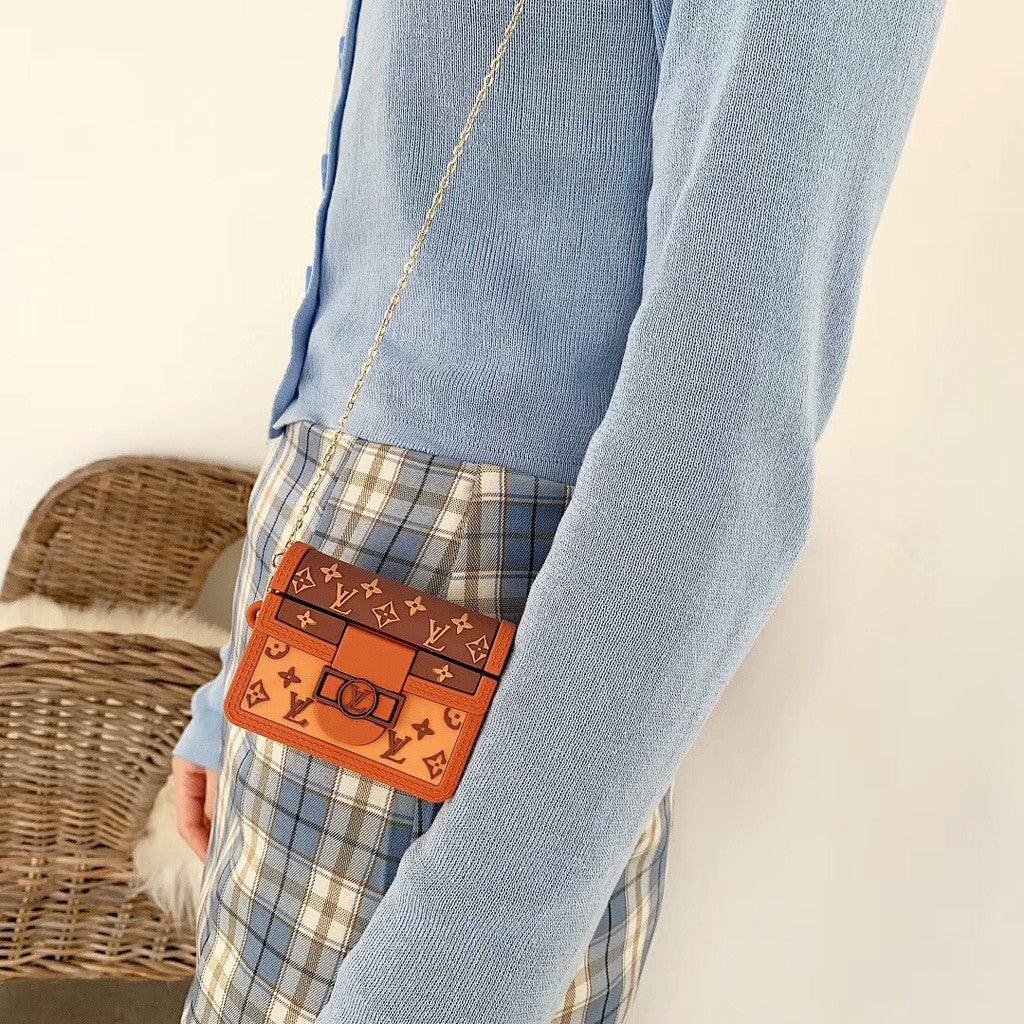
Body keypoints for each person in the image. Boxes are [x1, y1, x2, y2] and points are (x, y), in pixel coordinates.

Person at [172, 2, 943, 1022]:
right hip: (315, 643)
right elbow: (394, 275)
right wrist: (237, 682)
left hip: (476, 673)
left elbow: (719, 446)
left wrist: (458, 978)